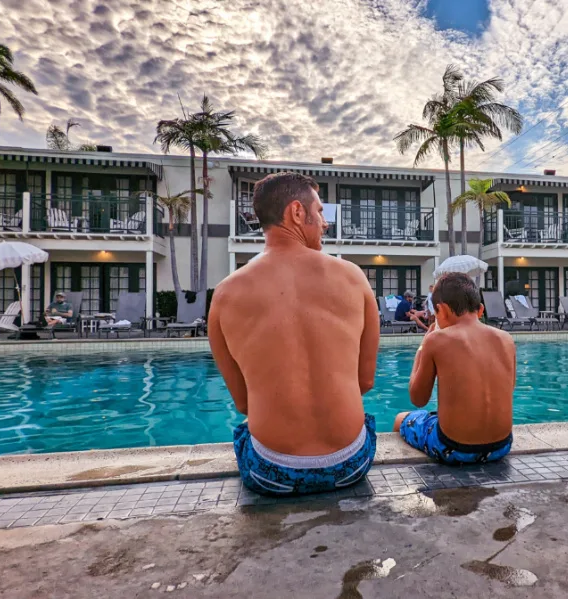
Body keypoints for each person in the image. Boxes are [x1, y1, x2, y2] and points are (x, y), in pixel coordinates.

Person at [208, 172, 379, 496]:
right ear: (297, 212)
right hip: (350, 463)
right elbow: (365, 382)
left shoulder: (225, 295)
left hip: (271, 472)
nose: (325, 222)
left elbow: (244, 404)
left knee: (244, 431)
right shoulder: (354, 278)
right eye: (320, 211)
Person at [394, 273, 516, 465]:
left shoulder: (436, 340)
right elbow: (509, 387)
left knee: (401, 419)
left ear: (440, 310)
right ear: (481, 310)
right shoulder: (506, 339)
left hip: (454, 448)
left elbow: (418, 399)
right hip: (502, 446)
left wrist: (422, 347)